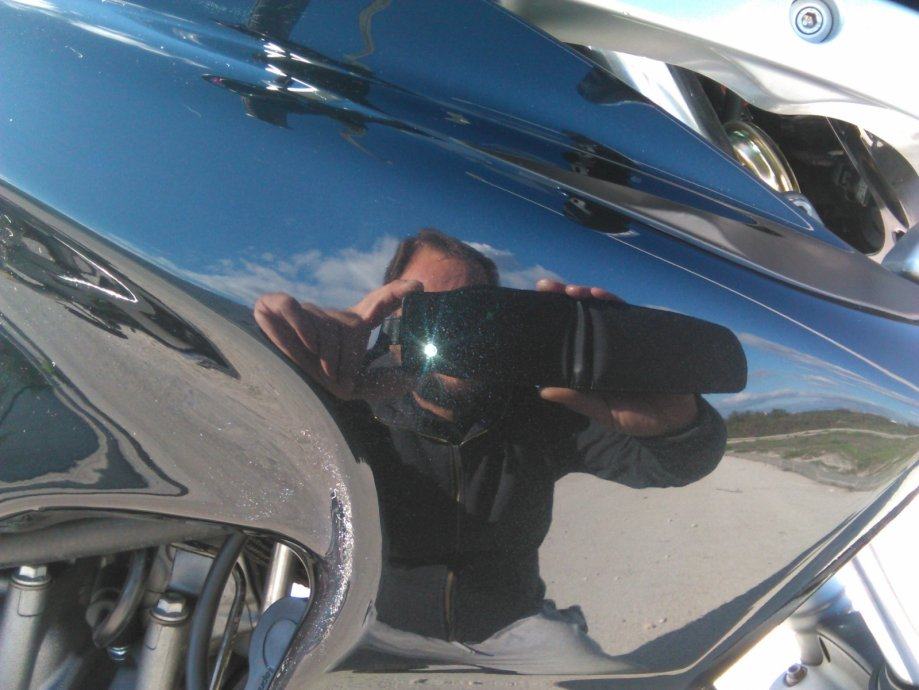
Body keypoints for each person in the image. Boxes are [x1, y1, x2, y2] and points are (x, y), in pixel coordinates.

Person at [254, 228, 727, 672]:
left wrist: (675, 421)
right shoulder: (351, 405)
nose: (455, 331)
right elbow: (254, 471)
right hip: (373, 621)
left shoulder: (540, 410)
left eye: (473, 312)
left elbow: (670, 465)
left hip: (512, 628)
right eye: (432, 311)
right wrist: (291, 366)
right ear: (391, 321)